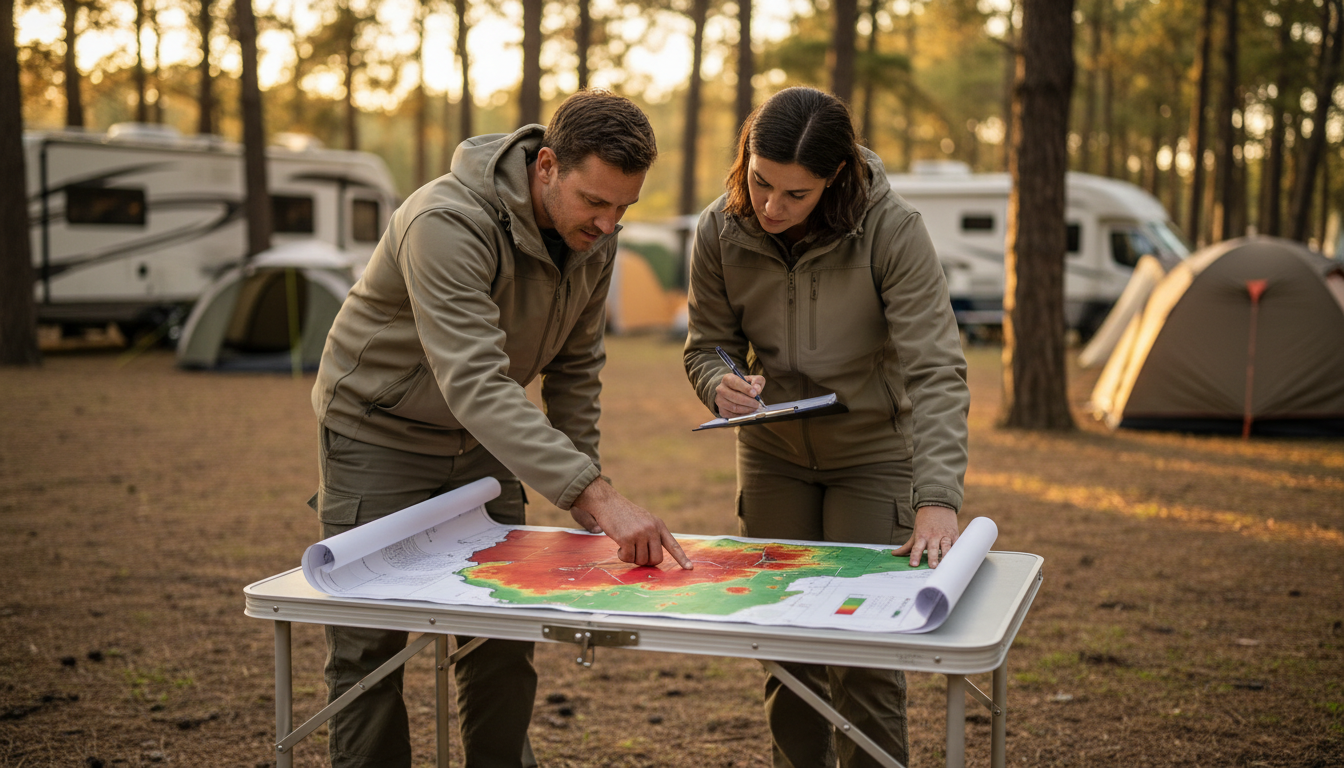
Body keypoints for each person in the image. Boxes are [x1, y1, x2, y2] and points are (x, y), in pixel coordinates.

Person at [310, 89, 692, 768]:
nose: (608, 224)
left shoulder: (594, 241)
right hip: (379, 433)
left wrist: (584, 493)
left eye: (623, 208)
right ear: (547, 165)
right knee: (370, 648)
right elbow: (477, 381)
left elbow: (577, 370)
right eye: (595, 203)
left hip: (483, 443)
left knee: (502, 633)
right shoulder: (445, 222)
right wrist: (594, 494)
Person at [683, 86, 970, 768]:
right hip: (772, 456)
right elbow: (708, 344)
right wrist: (719, 382)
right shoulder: (718, 231)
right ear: (745, 157)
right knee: (786, 641)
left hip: (871, 454)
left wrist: (937, 498)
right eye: (760, 183)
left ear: (835, 179)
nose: (772, 207)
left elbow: (935, 368)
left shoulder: (893, 230)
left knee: (861, 646)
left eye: (796, 194)